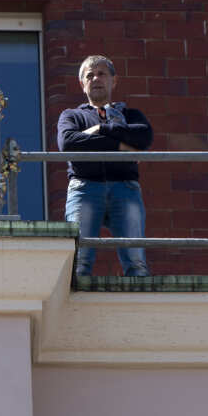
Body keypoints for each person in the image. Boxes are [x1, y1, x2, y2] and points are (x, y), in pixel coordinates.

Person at [57, 55, 153, 277]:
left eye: (101, 74)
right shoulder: (72, 116)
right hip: (85, 188)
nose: (96, 79)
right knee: (79, 265)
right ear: (82, 84)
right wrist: (121, 144)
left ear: (113, 80)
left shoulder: (130, 114)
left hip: (125, 188)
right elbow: (68, 143)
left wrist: (100, 130)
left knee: (137, 265)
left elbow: (144, 137)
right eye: (89, 75)